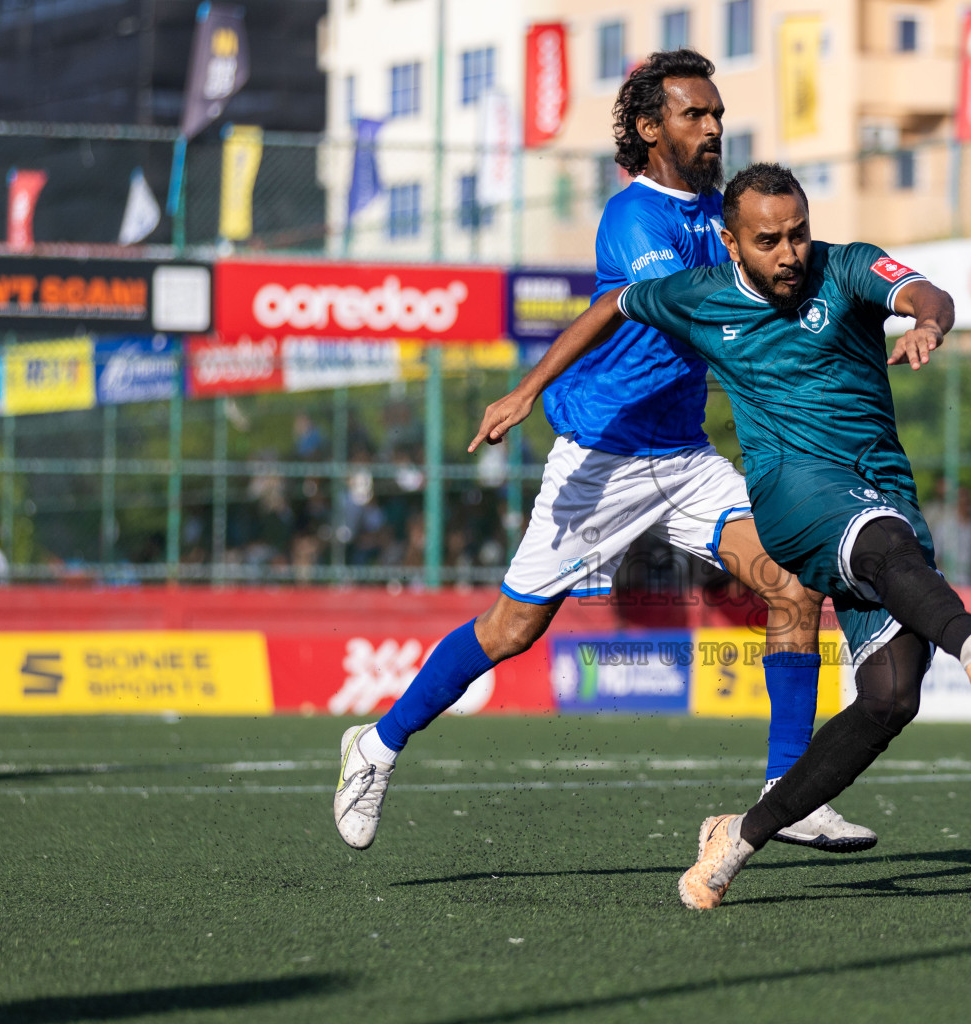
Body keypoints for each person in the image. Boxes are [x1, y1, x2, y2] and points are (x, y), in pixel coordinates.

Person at [473, 163, 971, 909]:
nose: (790, 252)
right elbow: (610, 306)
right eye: (769, 241)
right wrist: (528, 388)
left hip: (879, 492)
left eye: (797, 233)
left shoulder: (847, 266)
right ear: (731, 243)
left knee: (891, 697)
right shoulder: (699, 296)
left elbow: (928, 292)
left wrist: (928, 322)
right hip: (792, 494)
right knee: (881, 541)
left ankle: (736, 838)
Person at [333, 52, 874, 855]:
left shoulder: (724, 212)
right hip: (602, 459)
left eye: (718, 113)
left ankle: (785, 792)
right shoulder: (635, 220)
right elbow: (677, 307)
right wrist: (525, 391)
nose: (714, 126)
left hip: (684, 456)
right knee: (514, 628)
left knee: (792, 585)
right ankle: (375, 747)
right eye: (695, 115)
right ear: (653, 129)